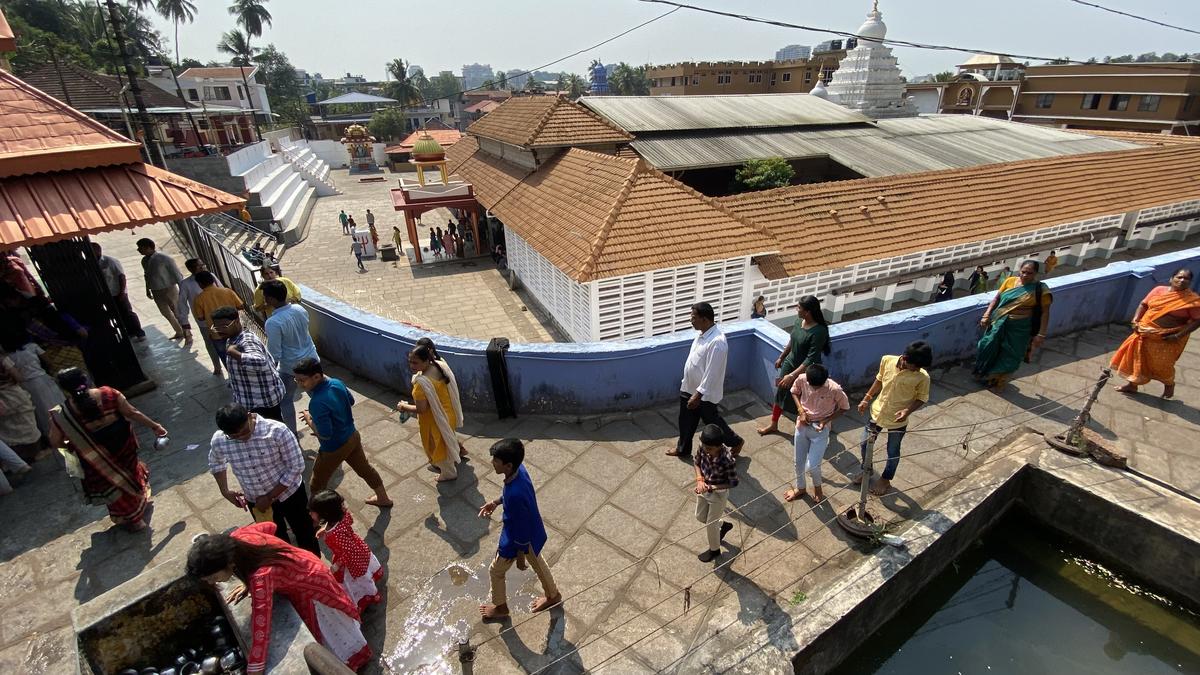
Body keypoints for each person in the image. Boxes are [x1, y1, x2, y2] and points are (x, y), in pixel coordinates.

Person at [186, 523, 371, 673]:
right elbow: (270, 526)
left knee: (331, 627)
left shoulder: (260, 577)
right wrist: (248, 582)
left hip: (311, 585)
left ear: (229, 563)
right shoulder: (239, 537)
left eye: (213, 577)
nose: (212, 582)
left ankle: (351, 663)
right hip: (306, 562)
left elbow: (261, 627)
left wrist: (254, 669)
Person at [49, 367, 166, 531]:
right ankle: (138, 505)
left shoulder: (62, 413)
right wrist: (155, 426)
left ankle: (134, 520)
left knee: (113, 484)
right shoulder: (109, 394)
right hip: (124, 446)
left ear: (64, 389)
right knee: (130, 472)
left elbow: (55, 441)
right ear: (86, 379)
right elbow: (132, 413)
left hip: (95, 456)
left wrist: (75, 445)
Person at [209, 403, 319, 554]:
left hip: (290, 494)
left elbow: (296, 466)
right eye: (234, 437)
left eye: (244, 432)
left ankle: (313, 564)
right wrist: (225, 491)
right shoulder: (219, 440)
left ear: (249, 416)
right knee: (273, 541)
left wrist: (269, 496)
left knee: (304, 532)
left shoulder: (277, 431)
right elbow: (216, 463)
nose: (242, 438)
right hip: (257, 501)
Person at [477, 439, 561, 620]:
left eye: (496, 461)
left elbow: (520, 528)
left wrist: (520, 556)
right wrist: (496, 502)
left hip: (517, 540)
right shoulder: (520, 471)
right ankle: (553, 595)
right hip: (533, 531)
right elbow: (509, 494)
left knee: (496, 571)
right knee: (538, 562)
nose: (492, 463)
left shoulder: (514, 495)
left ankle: (500, 607)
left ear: (508, 465)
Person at [293, 358, 392, 507]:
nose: (299, 384)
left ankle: (317, 513)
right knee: (365, 469)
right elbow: (351, 401)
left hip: (333, 448)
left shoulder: (317, 402)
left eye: (302, 380)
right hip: (352, 437)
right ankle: (383, 498)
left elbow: (325, 434)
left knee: (317, 483)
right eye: (296, 380)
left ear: (317, 377)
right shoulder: (337, 383)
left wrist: (309, 420)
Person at [855, 341, 932, 497]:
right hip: (877, 413)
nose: (917, 369)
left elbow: (922, 398)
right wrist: (866, 398)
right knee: (864, 444)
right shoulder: (887, 360)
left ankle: (886, 479)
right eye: (915, 366)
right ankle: (867, 470)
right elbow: (879, 380)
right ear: (905, 358)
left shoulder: (923, 377)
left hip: (898, 420)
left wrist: (907, 411)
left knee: (893, 451)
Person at [669, 302, 745, 458]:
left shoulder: (717, 342)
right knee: (685, 421)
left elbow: (712, 373)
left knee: (712, 421)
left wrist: (698, 395)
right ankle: (683, 449)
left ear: (704, 319)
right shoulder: (702, 334)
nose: (691, 320)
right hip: (689, 387)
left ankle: (735, 441)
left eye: (694, 317)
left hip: (704, 394)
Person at [1111, 268, 1200, 399]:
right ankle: (1132, 385)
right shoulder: (1158, 290)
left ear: (1190, 282)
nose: (1182, 280)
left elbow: (1197, 320)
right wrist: (1135, 320)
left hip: (1167, 338)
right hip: (1144, 332)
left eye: (1186, 279)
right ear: (1171, 279)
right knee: (1137, 360)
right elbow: (1143, 305)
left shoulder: (1192, 301)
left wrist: (1177, 336)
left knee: (1162, 365)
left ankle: (1169, 384)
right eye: (1179, 277)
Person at [757, 296, 831, 436]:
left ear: (807, 312)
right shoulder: (798, 322)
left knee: (804, 397)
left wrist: (792, 375)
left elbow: (811, 358)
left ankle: (806, 427)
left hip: (806, 370)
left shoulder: (819, 331)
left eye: (799, 308)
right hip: (790, 363)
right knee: (781, 392)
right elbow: (792, 340)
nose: (797, 309)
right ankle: (773, 424)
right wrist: (782, 357)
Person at [974, 260, 1052, 389]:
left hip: (1021, 326)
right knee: (986, 344)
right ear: (1019, 270)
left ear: (1035, 273)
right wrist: (986, 314)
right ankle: (982, 371)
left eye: (1029, 273)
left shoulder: (1040, 290)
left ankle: (995, 378)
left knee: (1011, 353)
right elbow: (996, 298)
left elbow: (1045, 312)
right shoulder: (1010, 281)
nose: (1025, 275)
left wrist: (1041, 334)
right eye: (1023, 272)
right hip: (1000, 320)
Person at [395, 345, 464, 481]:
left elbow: (421, 409)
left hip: (435, 420)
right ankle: (459, 453)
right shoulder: (439, 366)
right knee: (446, 440)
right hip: (448, 413)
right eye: (410, 362)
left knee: (437, 446)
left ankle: (448, 473)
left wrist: (403, 406)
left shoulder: (421, 384)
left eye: (415, 362)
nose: (412, 366)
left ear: (426, 361)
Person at [309, 489, 383, 611]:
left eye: (313, 512)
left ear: (325, 514)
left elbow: (348, 552)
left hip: (352, 561)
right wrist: (325, 530)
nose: (310, 513)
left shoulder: (335, 535)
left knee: (358, 579)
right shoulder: (343, 516)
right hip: (360, 549)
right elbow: (349, 521)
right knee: (366, 570)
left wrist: (337, 565)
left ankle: (369, 596)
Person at [785, 364, 848, 503]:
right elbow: (794, 391)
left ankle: (818, 489)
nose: (814, 389)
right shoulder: (802, 378)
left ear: (825, 380)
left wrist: (826, 420)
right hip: (802, 426)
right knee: (798, 462)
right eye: (811, 386)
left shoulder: (835, 389)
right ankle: (800, 488)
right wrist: (801, 410)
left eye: (818, 387)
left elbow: (844, 407)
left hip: (820, 431)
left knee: (813, 466)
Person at [210, 306, 286, 423]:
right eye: (216, 327)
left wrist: (234, 353)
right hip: (251, 400)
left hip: (263, 402)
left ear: (236, 321)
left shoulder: (247, 341)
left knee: (272, 430)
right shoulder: (231, 339)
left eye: (224, 326)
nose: (220, 330)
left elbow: (261, 362)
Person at [263, 281, 319, 435]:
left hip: (290, 368)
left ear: (272, 299)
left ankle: (292, 433)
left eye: (265, 297)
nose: (264, 300)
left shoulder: (273, 322)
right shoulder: (299, 309)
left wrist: (270, 370)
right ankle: (325, 424)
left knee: (285, 400)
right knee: (318, 395)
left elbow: (274, 353)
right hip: (311, 360)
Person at [1, 331, 65, 442]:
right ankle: (68, 427)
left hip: (26, 385)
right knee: (57, 403)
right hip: (42, 379)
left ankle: (53, 437)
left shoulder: (8, 357)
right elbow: (49, 361)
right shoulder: (32, 346)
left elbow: (17, 376)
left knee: (41, 412)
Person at [693, 424, 738, 563]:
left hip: (718, 494)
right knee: (700, 516)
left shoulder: (727, 459)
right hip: (704, 489)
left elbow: (733, 482)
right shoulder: (703, 447)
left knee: (711, 524)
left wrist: (712, 487)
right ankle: (723, 525)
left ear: (719, 446)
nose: (706, 451)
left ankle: (715, 550)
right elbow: (696, 463)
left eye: (710, 449)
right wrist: (700, 480)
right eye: (704, 447)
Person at [192, 271, 245, 376]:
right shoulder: (227, 291)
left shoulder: (199, 299)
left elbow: (200, 318)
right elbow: (240, 306)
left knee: (225, 357)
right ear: (213, 280)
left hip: (217, 334)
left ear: (200, 284)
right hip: (234, 330)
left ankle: (233, 377)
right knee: (242, 354)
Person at [136, 238, 187, 341]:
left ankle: (187, 332)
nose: (139, 250)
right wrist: (147, 289)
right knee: (165, 313)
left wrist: (183, 290)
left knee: (177, 311)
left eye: (140, 248)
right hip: (156, 290)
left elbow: (177, 274)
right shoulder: (144, 261)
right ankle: (179, 331)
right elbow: (147, 276)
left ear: (148, 248)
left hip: (169, 289)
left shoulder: (164, 258)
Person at [93, 243, 145, 341]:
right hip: (106, 294)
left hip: (117, 292)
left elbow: (121, 276)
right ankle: (129, 332)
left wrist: (122, 292)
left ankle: (139, 332)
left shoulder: (110, 261)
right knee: (116, 314)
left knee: (127, 313)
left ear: (98, 251)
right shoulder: (93, 263)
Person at [24, 297, 89, 374]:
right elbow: (83, 333)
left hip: (53, 359)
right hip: (72, 353)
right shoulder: (61, 316)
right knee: (83, 376)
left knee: (65, 380)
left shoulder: (33, 326)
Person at [0, 360, 41, 460]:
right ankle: (34, 454)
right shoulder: (3, 360)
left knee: (8, 431)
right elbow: (19, 377)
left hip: (4, 401)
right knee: (27, 426)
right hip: (14, 394)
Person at [176, 258, 217, 347]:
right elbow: (182, 304)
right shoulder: (186, 284)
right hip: (204, 320)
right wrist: (185, 323)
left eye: (202, 265)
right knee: (210, 343)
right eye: (199, 266)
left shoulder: (211, 276)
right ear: (190, 269)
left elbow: (222, 291)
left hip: (221, 316)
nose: (202, 267)